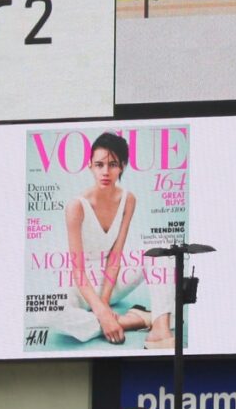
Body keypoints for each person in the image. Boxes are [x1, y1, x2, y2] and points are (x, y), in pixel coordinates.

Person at [57, 134, 172, 348]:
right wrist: (102, 313)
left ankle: (160, 329)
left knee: (162, 247)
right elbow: (78, 271)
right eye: (99, 164)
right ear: (90, 164)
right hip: (81, 286)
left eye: (113, 165)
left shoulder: (128, 199)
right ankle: (136, 319)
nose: (105, 172)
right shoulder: (76, 207)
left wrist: (105, 302)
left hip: (113, 281)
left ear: (123, 166)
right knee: (56, 317)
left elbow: (115, 256)